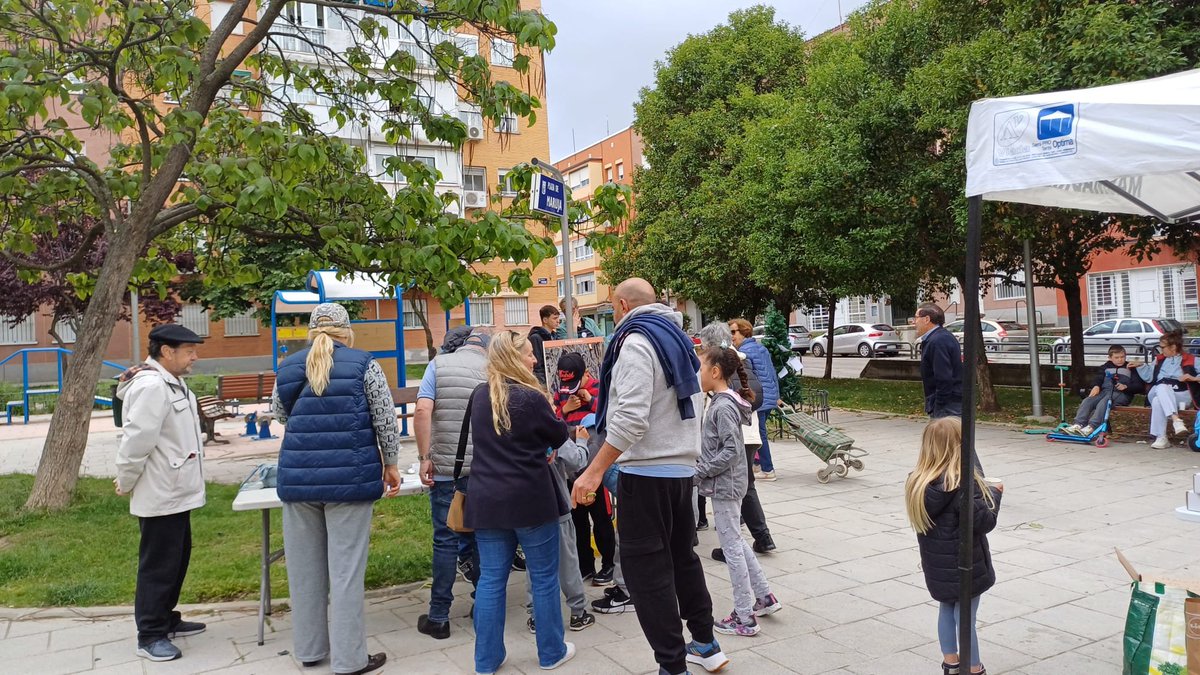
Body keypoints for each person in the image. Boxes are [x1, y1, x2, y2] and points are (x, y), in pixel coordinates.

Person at [571, 278, 728, 675]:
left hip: (646, 472)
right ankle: (706, 645)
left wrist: (593, 471)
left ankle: (672, 666)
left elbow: (630, 419)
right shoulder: (675, 338)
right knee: (682, 559)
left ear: (622, 306)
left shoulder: (637, 343)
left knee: (646, 575)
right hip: (680, 472)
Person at [272, 303, 401, 675]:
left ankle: (310, 650)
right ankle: (349, 660)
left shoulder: (289, 366)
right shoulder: (364, 365)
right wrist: (390, 463)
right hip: (350, 479)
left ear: (312, 332)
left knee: (304, 571)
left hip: (298, 481)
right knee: (345, 573)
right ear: (347, 331)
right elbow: (384, 418)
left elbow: (280, 414)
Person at [467, 330, 577, 673]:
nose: (534, 359)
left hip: (486, 500)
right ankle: (550, 652)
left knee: (490, 581)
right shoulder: (530, 397)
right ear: (515, 358)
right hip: (530, 499)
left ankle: (486, 659)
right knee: (543, 577)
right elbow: (559, 435)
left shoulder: (480, 396)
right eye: (529, 354)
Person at [114, 323, 209, 663]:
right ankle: (150, 633)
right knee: (158, 564)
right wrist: (125, 480)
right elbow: (136, 441)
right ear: (167, 352)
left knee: (177, 558)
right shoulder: (152, 387)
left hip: (177, 490)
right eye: (189, 351)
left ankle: (166, 618)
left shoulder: (174, 384)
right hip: (160, 491)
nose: (194, 356)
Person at [696, 344, 783, 638]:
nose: (698, 372)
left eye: (701, 366)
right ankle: (764, 597)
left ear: (716, 371)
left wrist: (701, 471)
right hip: (729, 484)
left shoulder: (722, 406)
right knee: (736, 541)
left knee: (731, 547)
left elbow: (732, 450)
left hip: (725, 486)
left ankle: (744, 616)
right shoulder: (724, 402)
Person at [905, 417, 1001, 675]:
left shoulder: (917, 483)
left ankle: (951, 662)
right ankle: (973, 667)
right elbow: (984, 521)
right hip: (965, 565)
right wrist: (995, 493)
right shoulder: (962, 486)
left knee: (947, 608)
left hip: (937, 568)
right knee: (966, 617)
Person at [414, 326, 490, 639]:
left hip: (447, 471)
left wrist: (424, 458)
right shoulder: (491, 369)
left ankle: (439, 617)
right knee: (484, 538)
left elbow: (422, 410)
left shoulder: (437, 365)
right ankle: (484, 606)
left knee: (445, 540)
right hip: (486, 471)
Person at [697, 322, 776, 559]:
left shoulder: (723, 365)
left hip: (734, 435)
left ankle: (733, 542)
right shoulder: (742, 359)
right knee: (745, 485)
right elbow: (756, 394)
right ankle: (762, 537)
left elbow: (750, 395)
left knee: (730, 488)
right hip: (748, 434)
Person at [554, 353, 616, 585]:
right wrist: (565, 410)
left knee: (600, 517)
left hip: (595, 466)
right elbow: (552, 422)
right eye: (565, 383)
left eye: (573, 382)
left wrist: (589, 400)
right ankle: (585, 565)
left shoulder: (599, 386)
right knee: (577, 520)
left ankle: (609, 564)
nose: (568, 388)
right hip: (570, 466)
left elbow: (610, 415)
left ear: (585, 375)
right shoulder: (561, 392)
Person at [729, 319, 780, 483]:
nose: (731, 336)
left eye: (734, 332)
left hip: (758, 396)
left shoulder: (745, 352)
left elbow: (748, 379)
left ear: (744, 332)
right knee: (758, 430)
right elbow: (772, 373)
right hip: (768, 395)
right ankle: (757, 463)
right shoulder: (760, 347)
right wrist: (777, 395)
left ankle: (768, 469)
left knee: (759, 433)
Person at [1132, 330, 1200, 449]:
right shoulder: (1159, 359)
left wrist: (1193, 378)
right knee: (1162, 386)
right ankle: (1175, 419)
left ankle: (1161, 438)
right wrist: (1140, 365)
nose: (1161, 349)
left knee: (1158, 401)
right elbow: (1149, 376)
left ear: (1173, 347)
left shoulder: (1192, 360)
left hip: (1181, 394)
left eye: (1163, 347)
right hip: (1159, 390)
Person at [1062, 345, 1142, 436]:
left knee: (1105, 401)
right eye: (1117, 357)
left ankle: (1092, 426)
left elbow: (1138, 386)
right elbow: (1098, 378)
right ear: (1110, 358)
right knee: (1088, 400)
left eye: (1122, 357)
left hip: (1122, 394)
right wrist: (1096, 386)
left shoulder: (1131, 368)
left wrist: (1126, 387)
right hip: (1104, 392)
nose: (1120, 360)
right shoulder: (1105, 367)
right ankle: (1078, 424)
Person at [914, 303, 963, 419]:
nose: (914, 322)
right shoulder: (939, 337)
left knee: (945, 437)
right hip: (948, 403)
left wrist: (938, 405)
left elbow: (943, 377)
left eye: (916, 317)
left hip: (947, 406)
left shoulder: (938, 341)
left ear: (927, 319)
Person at [529, 304, 562, 385]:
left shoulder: (555, 336)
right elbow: (537, 366)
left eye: (558, 318)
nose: (558, 321)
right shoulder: (536, 338)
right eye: (554, 318)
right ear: (545, 320)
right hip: (545, 382)